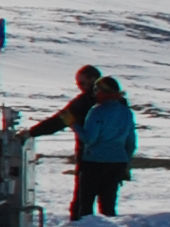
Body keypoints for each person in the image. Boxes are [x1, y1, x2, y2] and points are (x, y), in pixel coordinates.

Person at [26, 65, 138, 219]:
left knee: (82, 206)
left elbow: (60, 122)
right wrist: (126, 161)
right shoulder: (122, 106)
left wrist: (32, 132)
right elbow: (130, 139)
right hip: (117, 161)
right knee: (108, 204)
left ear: (93, 80)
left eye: (82, 83)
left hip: (91, 160)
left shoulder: (89, 105)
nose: (80, 87)